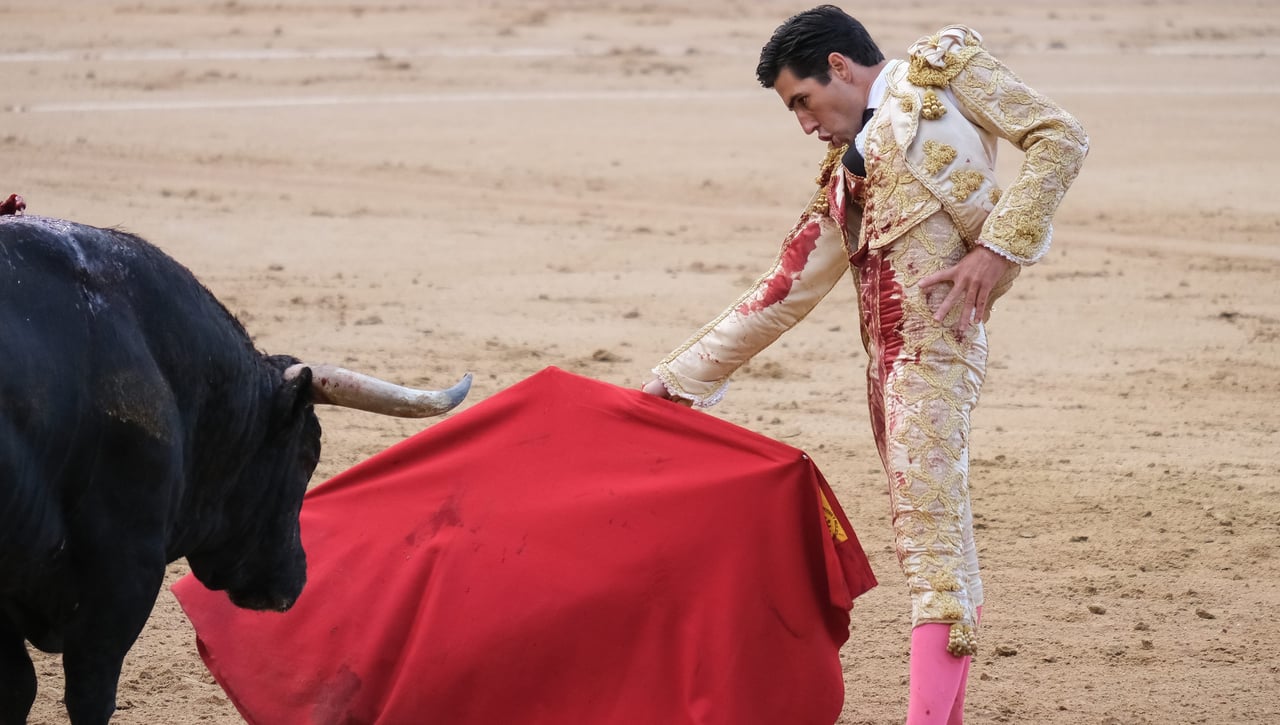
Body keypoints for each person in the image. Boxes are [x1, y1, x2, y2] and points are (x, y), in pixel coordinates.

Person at [640, 6, 1088, 724]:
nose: (806, 123)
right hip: (885, 373)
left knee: (934, 554)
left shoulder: (945, 76)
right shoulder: (846, 175)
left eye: (803, 101)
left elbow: (1060, 136)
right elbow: (783, 290)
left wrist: (998, 249)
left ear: (841, 68)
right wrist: (675, 381)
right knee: (935, 552)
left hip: (934, 358)